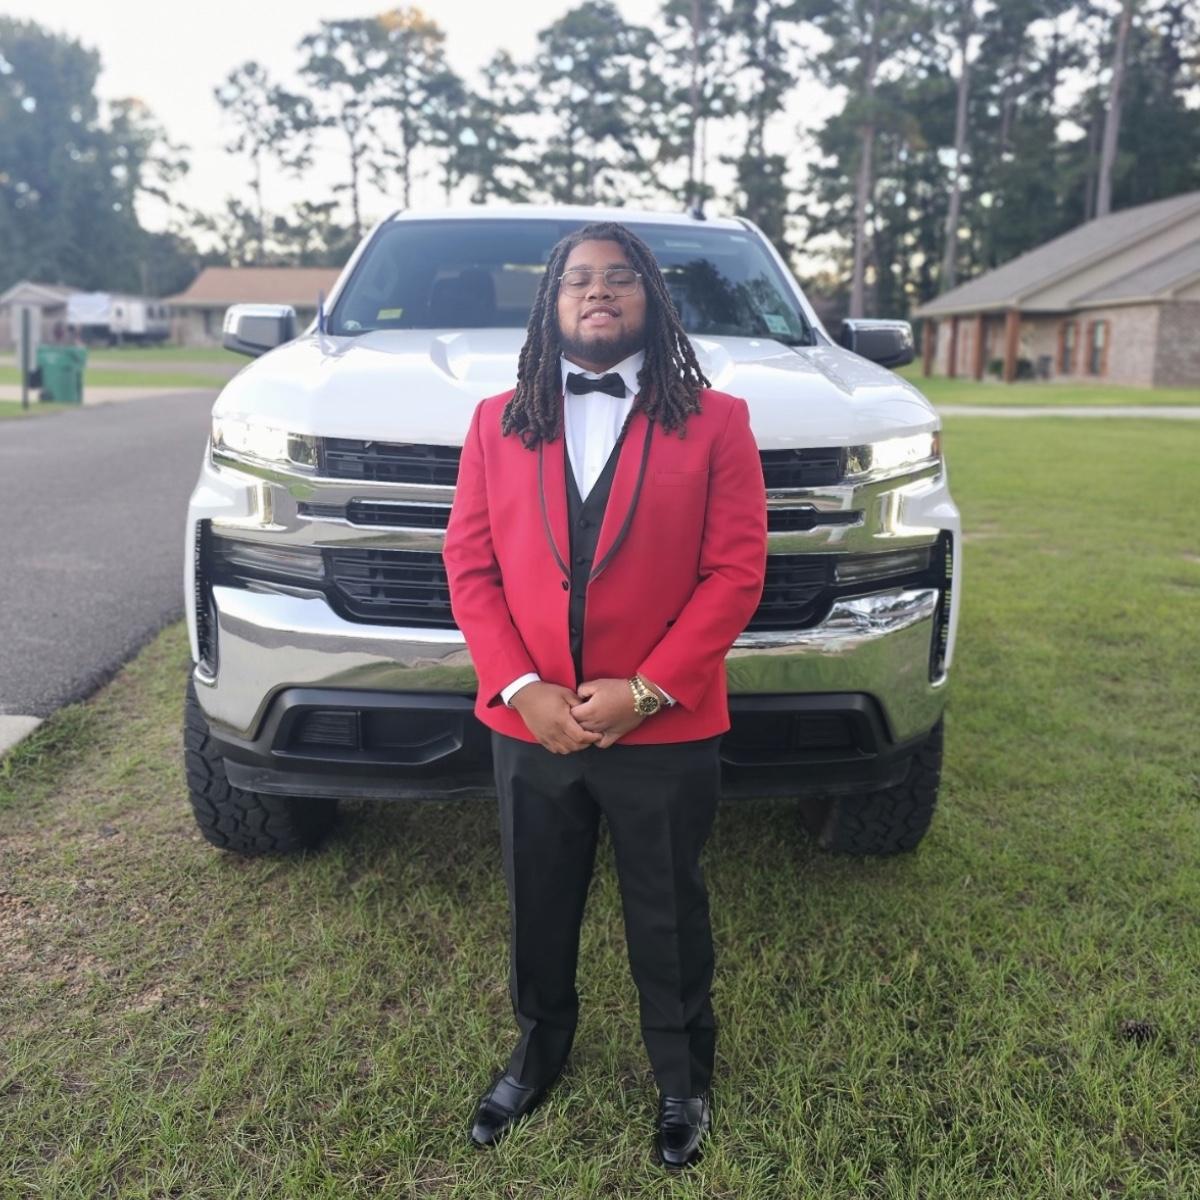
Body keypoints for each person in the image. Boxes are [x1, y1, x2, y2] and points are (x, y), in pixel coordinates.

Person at [441, 220, 767, 1170]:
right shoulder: (497, 422)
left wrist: (648, 690)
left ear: (649, 299)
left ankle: (682, 1077)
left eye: (619, 276)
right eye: (578, 278)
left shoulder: (717, 422)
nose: (598, 290)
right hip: (531, 722)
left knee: (668, 906)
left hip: (662, 725)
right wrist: (523, 688)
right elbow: (470, 566)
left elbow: (736, 572)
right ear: (552, 303)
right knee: (537, 900)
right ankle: (538, 1053)